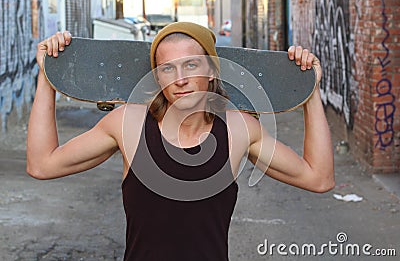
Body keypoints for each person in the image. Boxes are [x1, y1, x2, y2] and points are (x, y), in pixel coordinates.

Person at [27, 22, 334, 260]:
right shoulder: (129, 124)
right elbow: (42, 165)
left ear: (211, 70)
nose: (180, 79)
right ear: (157, 78)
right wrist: (47, 78)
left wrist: (310, 92)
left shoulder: (239, 130)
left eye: (191, 65)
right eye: (167, 69)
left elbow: (318, 178)